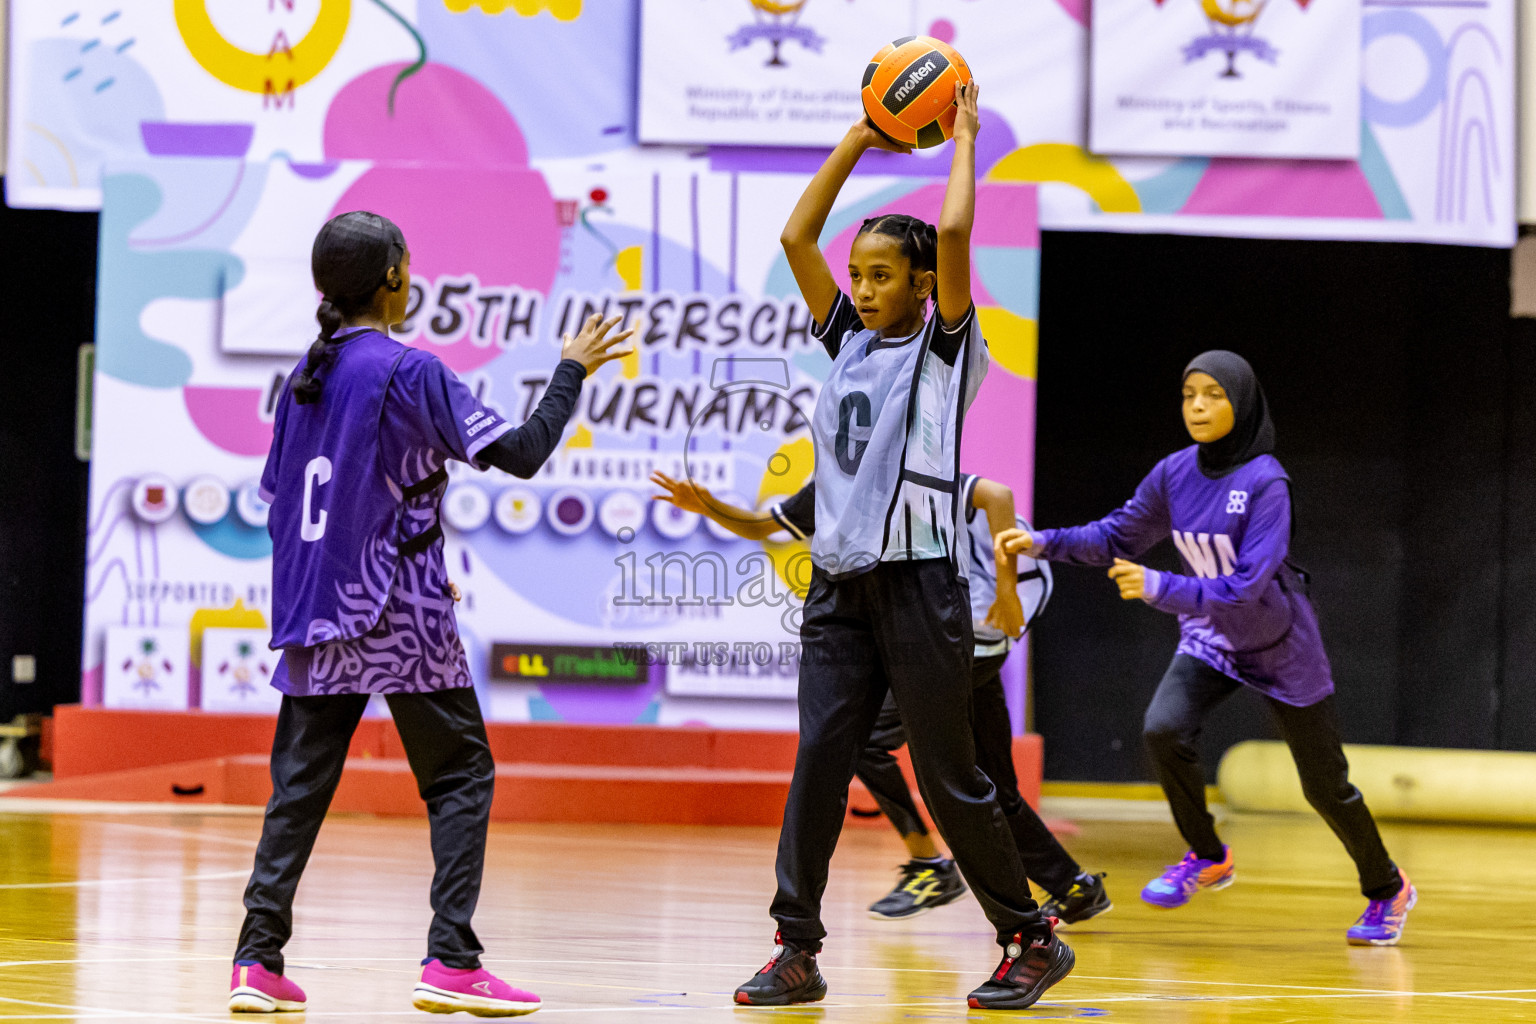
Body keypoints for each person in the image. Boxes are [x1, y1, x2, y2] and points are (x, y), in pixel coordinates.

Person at [229, 211, 633, 1016]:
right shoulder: (409, 371)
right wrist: (571, 369)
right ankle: (452, 958)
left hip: (320, 608)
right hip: (396, 609)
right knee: (460, 774)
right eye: (409, 265)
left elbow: (289, 503)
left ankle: (255, 961)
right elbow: (518, 453)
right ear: (393, 278)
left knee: (299, 790)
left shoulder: (304, 382)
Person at [729, 82, 1075, 1011]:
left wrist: (961, 141)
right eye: (863, 274)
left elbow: (955, 237)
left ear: (924, 289)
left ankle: (1030, 936)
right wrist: (857, 137)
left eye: (885, 275)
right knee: (817, 766)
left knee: (951, 778)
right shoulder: (847, 342)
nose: (867, 287)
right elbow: (798, 240)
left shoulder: (946, 352)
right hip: (839, 590)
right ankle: (794, 948)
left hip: (922, 588)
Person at [995, 350, 1416, 946]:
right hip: (1212, 638)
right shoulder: (1175, 472)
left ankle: (1388, 888)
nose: (1196, 406)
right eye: (1189, 393)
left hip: (1279, 644)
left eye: (1213, 395)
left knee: (1326, 787)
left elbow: (1246, 588)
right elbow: (1118, 534)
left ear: (1240, 403)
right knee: (1163, 730)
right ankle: (1207, 855)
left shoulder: (1266, 480)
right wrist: (1041, 542)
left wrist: (1160, 586)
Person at [650, 470, 1111, 926]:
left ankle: (930, 866)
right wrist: (709, 505)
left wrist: (1007, 590)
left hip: (965, 623)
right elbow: (767, 524)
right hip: (961, 631)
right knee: (988, 780)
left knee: (869, 742)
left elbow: (997, 493)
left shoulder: (909, 463)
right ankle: (1073, 887)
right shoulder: (833, 480)